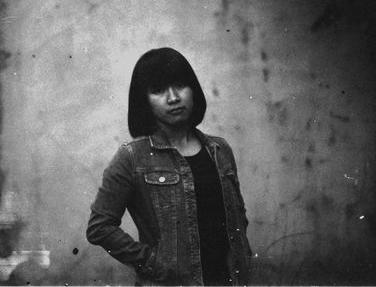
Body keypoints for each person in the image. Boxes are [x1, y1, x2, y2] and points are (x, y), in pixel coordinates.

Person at [87, 47, 252, 286]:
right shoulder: (132, 157)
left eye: (180, 85)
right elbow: (99, 228)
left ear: (193, 89)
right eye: (158, 90)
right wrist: (154, 264)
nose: (173, 97)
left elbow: (238, 218)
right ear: (145, 101)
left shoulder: (219, 150)